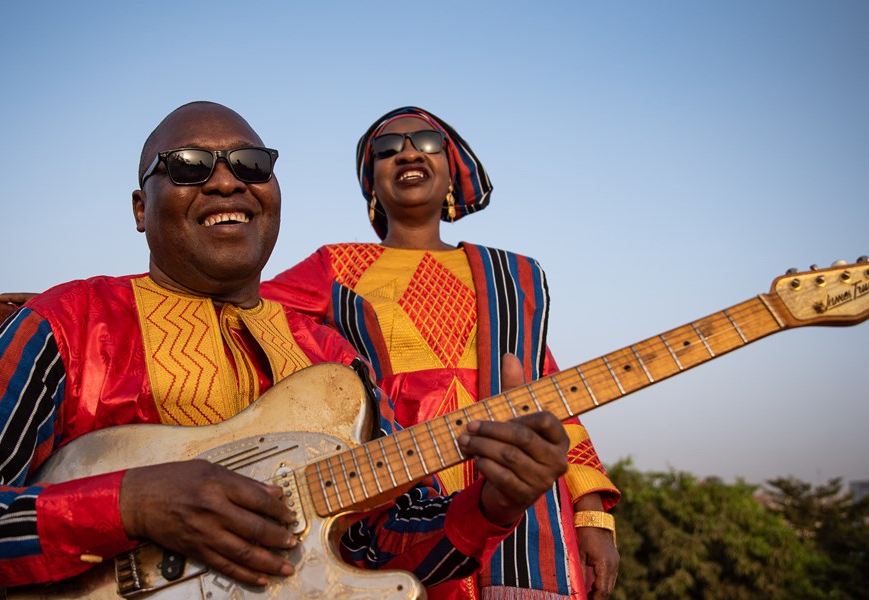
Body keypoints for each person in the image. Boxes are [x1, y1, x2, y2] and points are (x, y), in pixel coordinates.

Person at [0, 101, 572, 593]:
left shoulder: (336, 362)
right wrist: (131, 505)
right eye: (185, 165)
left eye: (250, 162)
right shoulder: (72, 321)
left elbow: (394, 553)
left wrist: (494, 506)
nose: (226, 178)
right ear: (140, 209)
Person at [262, 106, 621, 599]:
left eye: (426, 142)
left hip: (521, 514)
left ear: (451, 169)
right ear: (372, 186)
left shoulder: (510, 278)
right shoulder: (335, 265)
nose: (408, 151)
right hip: (392, 504)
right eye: (388, 149)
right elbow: (250, 317)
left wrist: (593, 515)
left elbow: (552, 401)